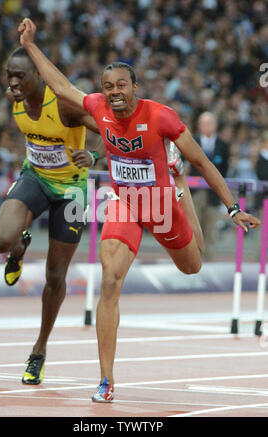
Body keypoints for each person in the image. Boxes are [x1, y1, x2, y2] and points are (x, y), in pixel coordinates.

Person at [18, 18, 261, 402]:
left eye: (120, 86)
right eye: (107, 87)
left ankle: (178, 188)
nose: (113, 93)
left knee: (191, 266)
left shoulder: (161, 116)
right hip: (126, 204)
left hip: (162, 204)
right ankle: (106, 380)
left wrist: (232, 209)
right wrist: (31, 45)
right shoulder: (97, 107)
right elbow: (61, 85)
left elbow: (203, 162)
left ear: (135, 88)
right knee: (110, 280)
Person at [0, 46, 104, 385]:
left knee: (55, 277)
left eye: (19, 75)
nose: (12, 81)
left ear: (39, 77)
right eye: (9, 74)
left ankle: (39, 350)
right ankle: (19, 247)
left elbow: (110, 131)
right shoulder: (16, 102)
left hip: (71, 192)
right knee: (1, 240)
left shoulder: (66, 105)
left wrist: (94, 155)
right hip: (35, 178)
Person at [188, 112, 230, 260]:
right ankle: (192, 263)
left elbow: (224, 170)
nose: (206, 126)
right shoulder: (190, 141)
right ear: (199, 125)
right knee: (192, 231)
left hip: (213, 194)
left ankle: (210, 264)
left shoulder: (223, 146)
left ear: (215, 125)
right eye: (203, 123)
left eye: (209, 123)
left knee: (210, 232)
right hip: (194, 193)